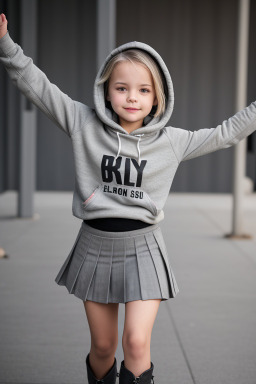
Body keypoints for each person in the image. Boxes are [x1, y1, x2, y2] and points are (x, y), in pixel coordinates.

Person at [0, 12, 256, 384]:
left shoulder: (173, 141)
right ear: (106, 90)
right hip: (95, 245)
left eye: (143, 90)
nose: (132, 97)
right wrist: (5, 41)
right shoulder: (81, 122)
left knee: (136, 342)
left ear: (157, 98)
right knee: (103, 347)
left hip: (144, 249)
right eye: (122, 88)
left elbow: (227, 132)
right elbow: (34, 83)